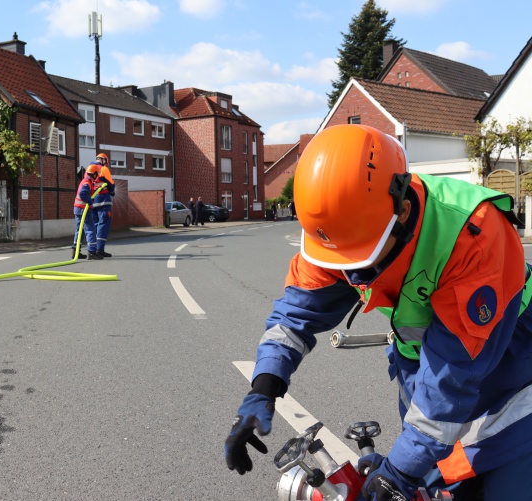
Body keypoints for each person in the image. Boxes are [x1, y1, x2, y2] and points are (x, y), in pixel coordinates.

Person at [224, 124, 532, 501]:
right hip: (427, 374)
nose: (350, 274)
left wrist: (400, 469)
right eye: (341, 260)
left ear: (402, 212)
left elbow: (453, 378)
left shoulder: (474, 235)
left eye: (361, 256)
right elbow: (293, 318)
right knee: (432, 483)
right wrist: (263, 388)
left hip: (515, 374)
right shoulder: (342, 228)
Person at [71, 163, 103, 260]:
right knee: (90, 229)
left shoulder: (85, 181)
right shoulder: (87, 183)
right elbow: (83, 194)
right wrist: (90, 202)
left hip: (77, 209)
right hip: (83, 209)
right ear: (93, 174)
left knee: (79, 231)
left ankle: (76, 251)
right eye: (96, 174)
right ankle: (91, 252)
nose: (97, 176)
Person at [93, 153, 115, 257]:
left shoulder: (90, 169)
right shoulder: (104, 169)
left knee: (95, 225)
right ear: (104, 161)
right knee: (103, 224)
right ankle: (99, 249)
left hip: (92, 202)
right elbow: (111, 185)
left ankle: (92, 249)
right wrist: (112, 191)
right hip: (103, 201)